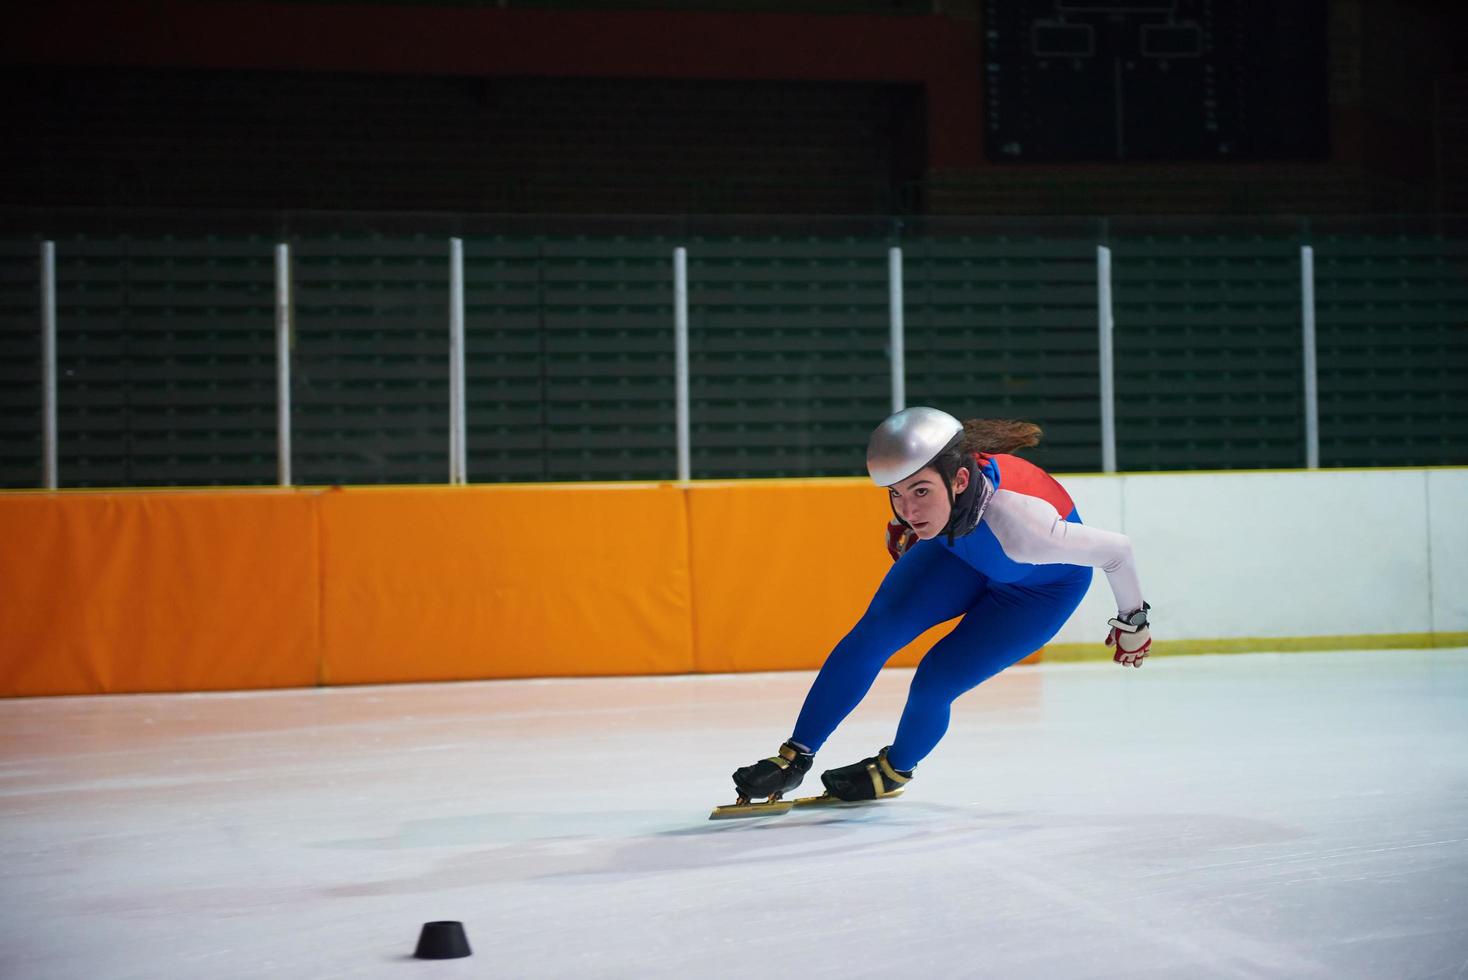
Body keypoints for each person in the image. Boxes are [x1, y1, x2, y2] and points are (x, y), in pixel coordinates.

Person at [730, 406, 1152, 807]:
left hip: (1037, 594)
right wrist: (909, 516)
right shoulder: (939, 492)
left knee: (934, 682)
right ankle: (795, 756)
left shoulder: (1024, 525)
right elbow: (919, 505)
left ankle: (896, 768)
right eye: (896, 494)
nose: (909, 510)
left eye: (920, 492)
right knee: (871, 636)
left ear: (961, 480)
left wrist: (1135, 623)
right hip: (959, 552)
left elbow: (1118, 551)